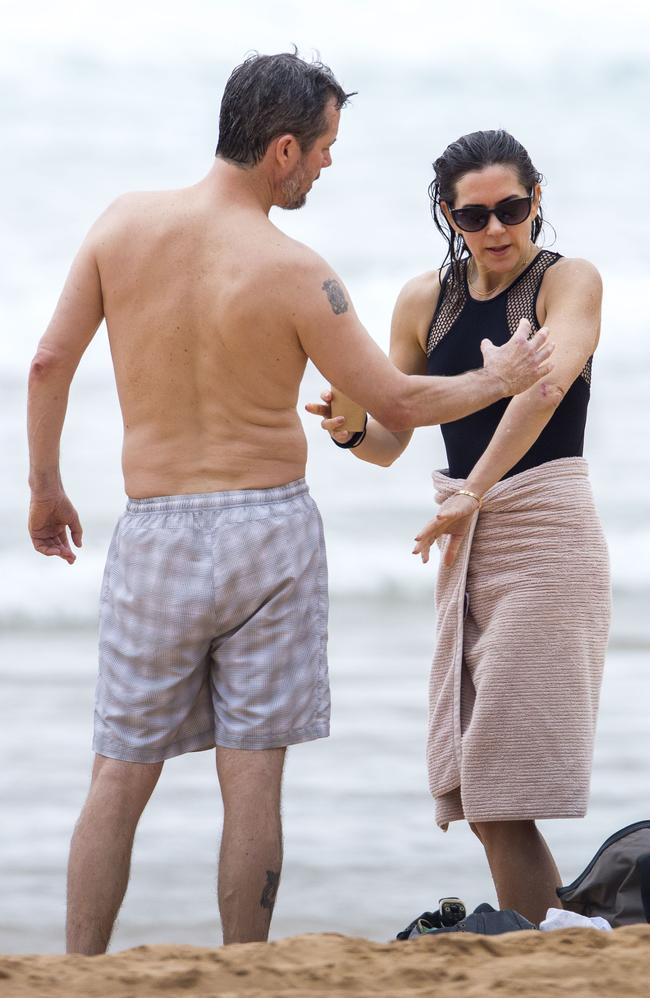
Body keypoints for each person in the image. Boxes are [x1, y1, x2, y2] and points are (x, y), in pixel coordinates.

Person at [27, 55, 553, 954]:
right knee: (252, 778)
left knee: (118, 773)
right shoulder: (297, 271)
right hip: (266, 532)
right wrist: (496, 374)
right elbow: (395, 403)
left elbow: (47, 364)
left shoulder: (120, 226)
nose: (326, 166)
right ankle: (244, 966)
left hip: (154, 529)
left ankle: (78, 969)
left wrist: (45, 487)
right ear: (281, 149)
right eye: (322, 149)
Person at [308, 129, 610, 925]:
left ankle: (539, 942)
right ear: (449, 216)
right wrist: (346, 430)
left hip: (545, 533)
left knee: (502, 778)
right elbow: (392, 439)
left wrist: (471, 491)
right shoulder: (422, 302)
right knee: (481, 789)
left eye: (512, 208)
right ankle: (544, 942)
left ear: (537, 199)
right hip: (465, 538)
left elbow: (541, 389)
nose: (498, 228)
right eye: (476, 215)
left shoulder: (567, 281)